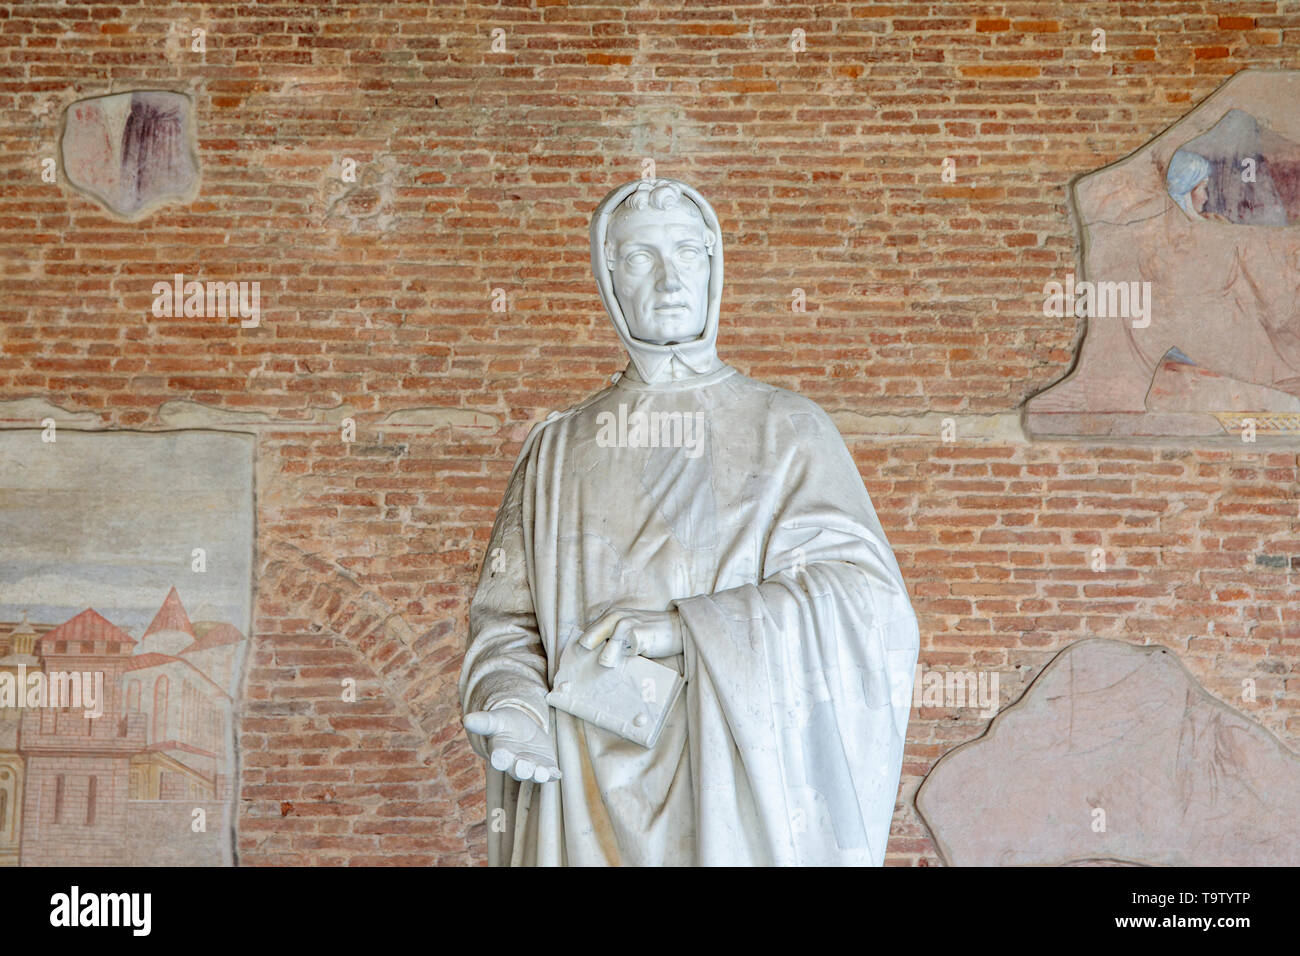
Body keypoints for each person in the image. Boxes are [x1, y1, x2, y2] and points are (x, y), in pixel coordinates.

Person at [459, 178, 920, 865]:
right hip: (583, 784)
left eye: (687, 251)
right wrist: (517, 706)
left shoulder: (786, 428)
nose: (670, 277)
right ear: (608, 276)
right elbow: (506, 626)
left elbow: (868, 603)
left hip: (734, 778)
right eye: (642, 257)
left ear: (714, 262)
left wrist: (685, 630)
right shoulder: (557, 449)